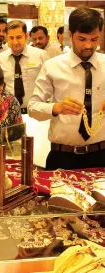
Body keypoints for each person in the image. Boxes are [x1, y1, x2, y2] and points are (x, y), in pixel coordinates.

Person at [28, 6, 105, 170]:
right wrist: (57, 107)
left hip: (101, 155)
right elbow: (33, 107)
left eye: (94, 39)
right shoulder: (52, 66)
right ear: (70, 35)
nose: (88, 46)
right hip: (63, 157)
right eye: (82, 39)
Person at [0, 20, 49, 112]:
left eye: (19, 37)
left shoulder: (41, 55)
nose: (15, 42)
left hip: (35, 112)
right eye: (11, 38)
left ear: (26, 36)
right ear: (6, 38)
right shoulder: (0, 59)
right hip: (9, 112)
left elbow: (49, 84)